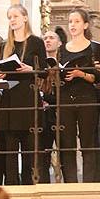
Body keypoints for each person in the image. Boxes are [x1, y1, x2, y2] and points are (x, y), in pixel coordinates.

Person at [0, 4, 48, 185]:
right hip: (10, 99)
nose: (12, 20)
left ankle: (29, 185)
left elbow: (44, 71)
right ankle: (11, 185)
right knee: (10, 150)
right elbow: (2, 70)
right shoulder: (5, 44)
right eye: (9, 17)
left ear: (25, 18)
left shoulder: (35, 42)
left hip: (27, 97)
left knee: (29, 148)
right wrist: (0, 73)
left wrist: (31, 69)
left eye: (15, 16)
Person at [56, 9, 100, 183]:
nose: (72, 25)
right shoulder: (62, 49)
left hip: (86, 97)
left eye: (76, 21)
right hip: (67, 97)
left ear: (85, 25)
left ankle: (89, 182)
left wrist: (79, 74)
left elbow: (96, 77)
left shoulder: (92, 48)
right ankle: (71, 182)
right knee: (67, 143)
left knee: (87, 142)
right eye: (70, 22)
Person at [37, 29, 62, 184]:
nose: (47, 40)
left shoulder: (63, 63)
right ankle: (43, 184)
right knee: (43, 153)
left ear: (59, 43)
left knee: (65, 152)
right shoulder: (39, 63)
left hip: (60, 113)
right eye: (45, 38)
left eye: (51, 38)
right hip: (43, 114)